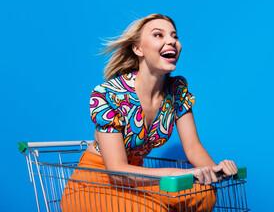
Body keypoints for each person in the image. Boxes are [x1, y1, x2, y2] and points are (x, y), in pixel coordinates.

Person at [61, 14, 238, 212]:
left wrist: (216, 170)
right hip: (96, 182)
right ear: (137, 49)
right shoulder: (108, 95)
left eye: (174, 36)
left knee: (203, 195)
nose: (171, 40)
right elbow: (117, 172)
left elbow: (194, 148)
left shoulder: (177, 90)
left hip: (137, 181)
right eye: (158, 35)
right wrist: (182, 175)